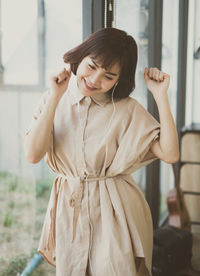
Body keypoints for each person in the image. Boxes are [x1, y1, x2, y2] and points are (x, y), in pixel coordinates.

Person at [24, 27, 179, 276]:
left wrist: (161, 96)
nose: (95, 79)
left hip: (115, 212)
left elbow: (170, 154)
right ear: (81, 56)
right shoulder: (53, 98)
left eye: (109, 76)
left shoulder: (127, 109)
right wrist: (54, 97)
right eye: (92, 66)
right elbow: (32, 155)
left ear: (120, 79)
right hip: (69, 209)